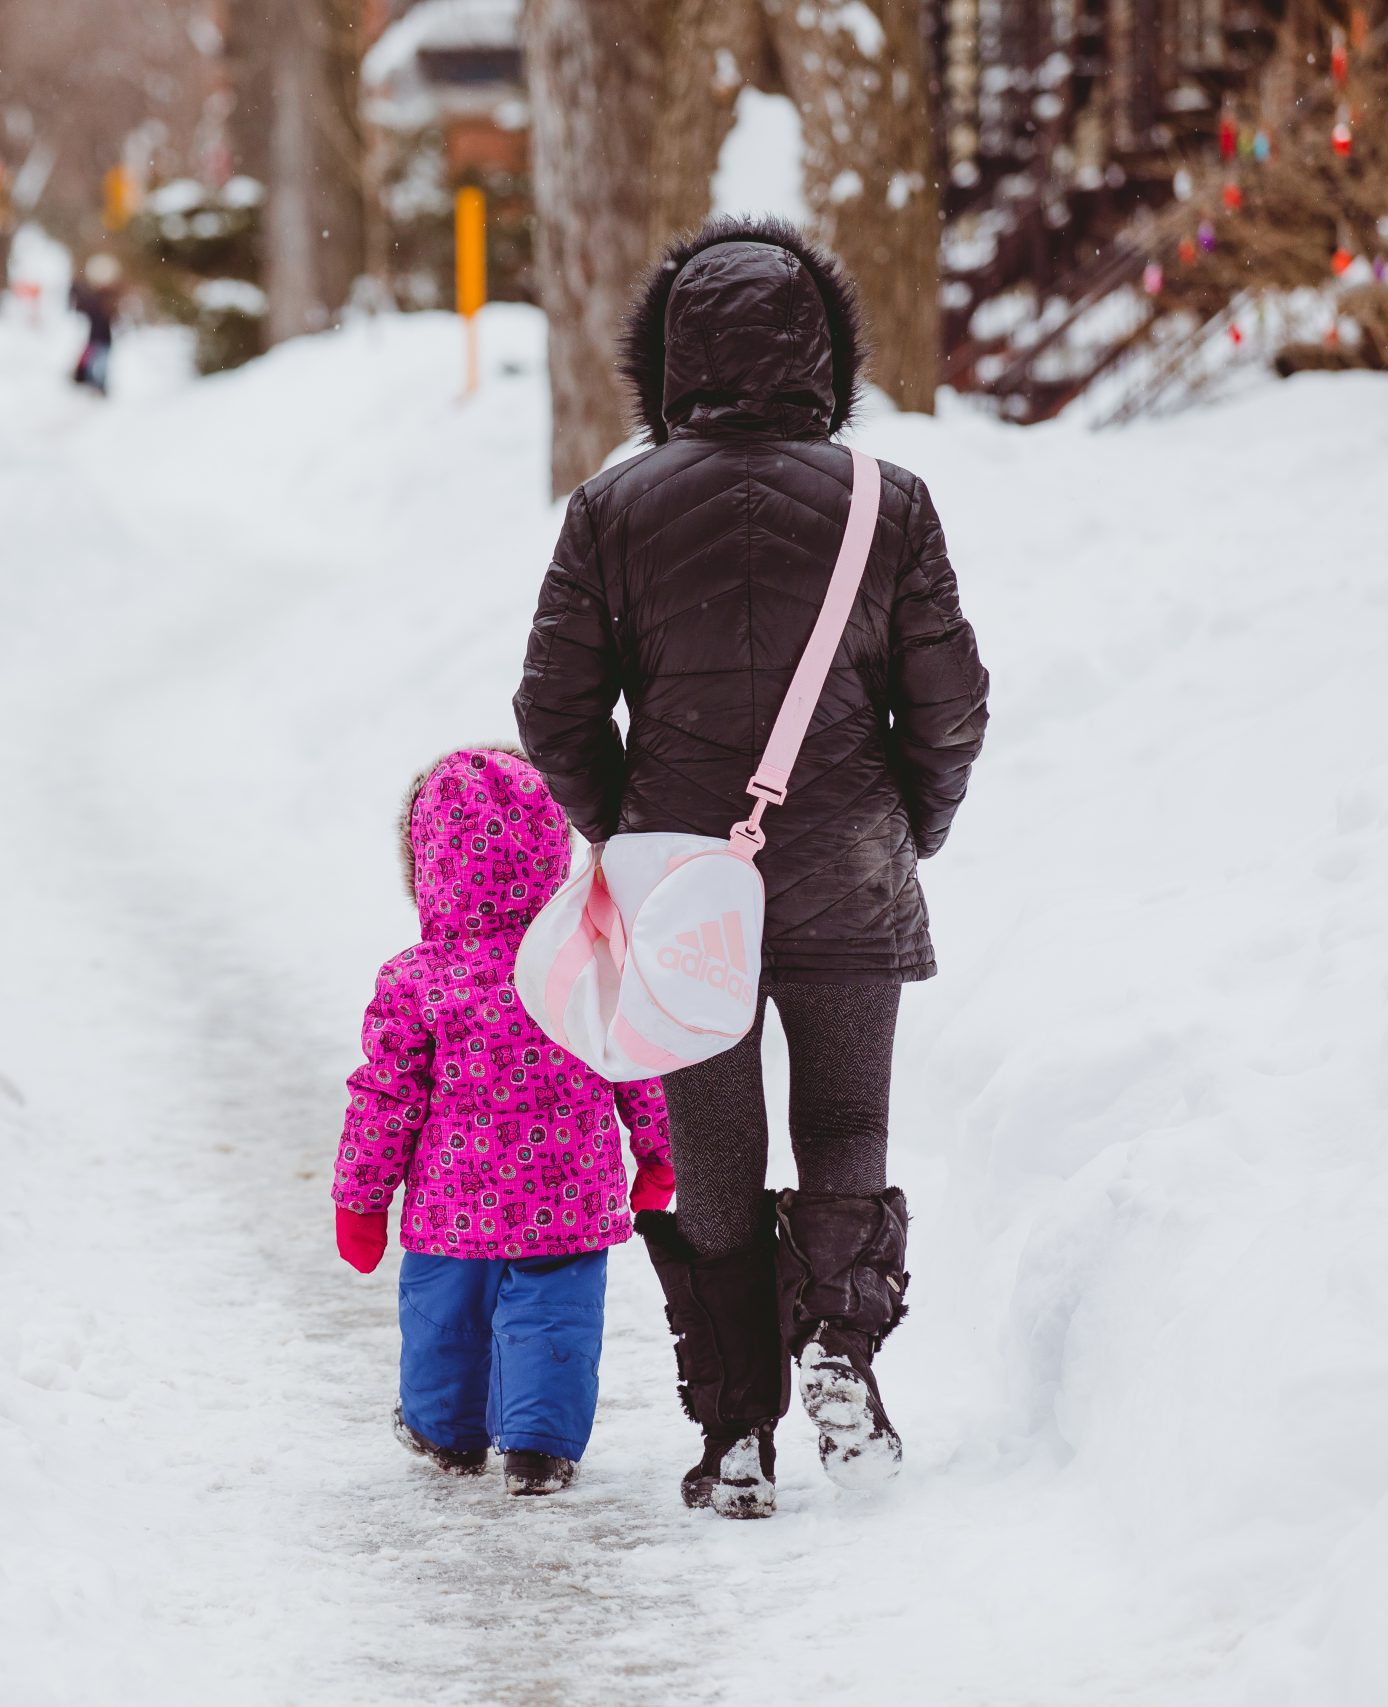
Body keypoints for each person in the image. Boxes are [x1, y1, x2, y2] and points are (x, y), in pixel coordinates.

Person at [512, 218, 989, 1517]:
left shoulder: (612, 508)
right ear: (823, 355)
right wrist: (909, 822)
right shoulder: (887, 504)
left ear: (670, 363)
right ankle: (841, 1349)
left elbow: (554, 706)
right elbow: (948, 707)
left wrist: (626, 826)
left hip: (680, 889)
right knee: (845, 1125)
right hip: (845, 868)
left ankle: (735, 1432)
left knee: (712, 1148)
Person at [334, 748, 673, 1497]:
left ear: (428, 866)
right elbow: (634, 1058)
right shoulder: (586, 961)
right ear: (552, 851)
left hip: (451, 1203)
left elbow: (385, 1095)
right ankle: (539, 1446)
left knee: (442, 1318)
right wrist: (657, 1152)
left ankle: (442, 1429)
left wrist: (360, 1196)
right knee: (556, 1316)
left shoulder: (417, 977)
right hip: (572, 1195)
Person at [68, 255, 119, 394]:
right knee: (94, 364)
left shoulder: (108, 300)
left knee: (100, 364)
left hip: (103, 339)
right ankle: (94, 385)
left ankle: (99, 386)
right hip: (96, 339)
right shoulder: (94, 300)